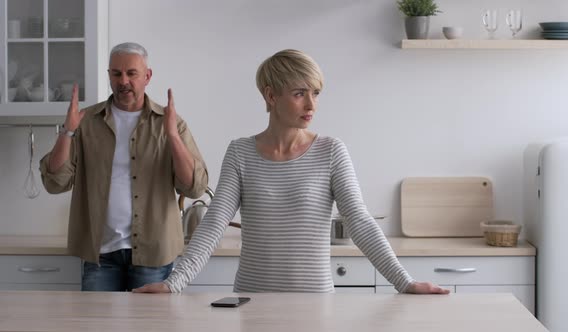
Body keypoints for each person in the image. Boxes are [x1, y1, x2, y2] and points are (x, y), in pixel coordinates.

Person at [134, 49, 448, 294]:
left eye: (316, 93)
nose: (311, 104)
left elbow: (359, 221)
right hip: (252, 302)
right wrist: (174, 283)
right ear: (271, 96)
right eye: (300, 93)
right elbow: (214, 223)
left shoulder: (331, 151)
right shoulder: (241, 152)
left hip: (315, 303)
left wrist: (404, 282)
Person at [39, 42, 208, 291]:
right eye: (116, 73)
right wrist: (68, 131)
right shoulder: (86, 122)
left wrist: (172, 135)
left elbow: (195, 186)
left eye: (132, 73)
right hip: (100, 254)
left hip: (153, 253)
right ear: (109, 75)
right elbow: (54, 181)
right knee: (98, 327)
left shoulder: (169, 122)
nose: (123, 81)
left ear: (147, 76)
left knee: (148, 328)